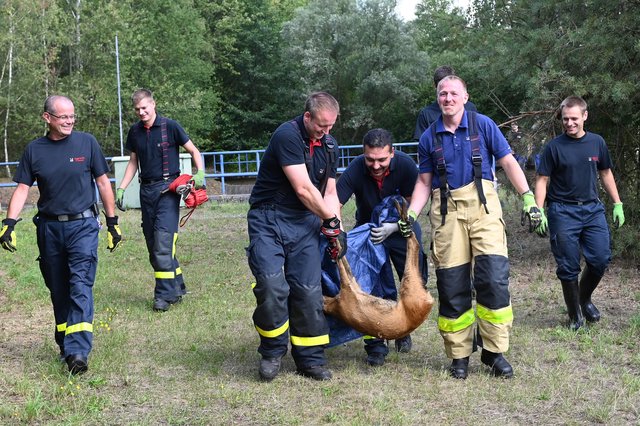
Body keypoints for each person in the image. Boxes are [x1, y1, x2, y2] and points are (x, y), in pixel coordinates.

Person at [401, 76, 540, 379]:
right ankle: (459, 356)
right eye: (442, 94)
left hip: (484, 210)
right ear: (437, 99)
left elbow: (507, 162)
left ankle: (494, 352)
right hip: (447, 213)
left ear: (465, 97)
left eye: (453, 93)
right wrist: (411, 214)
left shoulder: (483, 125)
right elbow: (424, 182)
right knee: (452, 286)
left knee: (493, 281)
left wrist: (528, 197)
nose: (447, 98)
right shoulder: (428, 137)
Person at [0, 95, 122, 375]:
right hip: (49, 229)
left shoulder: (86, 142)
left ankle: (78, 351)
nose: (69, 121)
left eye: (72, 116)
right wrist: (9, 223)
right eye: (63, 116)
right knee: (59, 289)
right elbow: (21, 188)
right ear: (47, 118)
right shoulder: (35, 150)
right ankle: (65, 343)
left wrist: (112, 221)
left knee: (80, 284)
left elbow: (103, 183)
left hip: (83, 226)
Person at [246, 91, 346, 382]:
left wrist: (335, 225)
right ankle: (272, 351)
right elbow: (303, 188)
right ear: (307, 117)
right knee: (271, 286)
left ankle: (310, 358)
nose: (326, 132)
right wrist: (328, 219)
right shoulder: (287, 136)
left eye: (331, 126)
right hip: (269, 219)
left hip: (305, 223)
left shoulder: (329, 145)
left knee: (308, 290)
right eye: (321, 126)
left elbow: (329, 190)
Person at [336, 128, 427, 366]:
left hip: (401, 229)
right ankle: (375, 344)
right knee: (370, 283)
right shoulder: (356, 168)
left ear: (392, 153)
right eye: (370, 159)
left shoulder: (406, 166)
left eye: (382, 160)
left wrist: (399, 225)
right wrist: (338, 232)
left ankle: (401, 329)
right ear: (363, 154)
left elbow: (415, 198)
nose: (375, 165)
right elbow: (335, 200)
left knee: (415, 281)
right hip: (370, 232)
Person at [534, 96, 624, 330]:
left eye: (574, 118)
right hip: (562, 211)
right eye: (565, 119)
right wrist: (539, 210)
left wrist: (617, 203)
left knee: (600, 259)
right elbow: (542, 180)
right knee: (568, 266)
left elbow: (605, 172)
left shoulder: (597, 142)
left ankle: (584, 299)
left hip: (592, 210)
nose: (569, 123)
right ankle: (575, 316)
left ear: (585, 116)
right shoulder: (554, 147)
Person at [116, 89, 205, 312]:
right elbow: (133, 163)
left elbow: (194, 150)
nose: (141, 112)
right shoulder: (135, 132)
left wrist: (200, 173)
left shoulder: (171, 126)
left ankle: (163, 297)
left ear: (153, 104)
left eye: (145, 107)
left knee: (163, 245)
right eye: (137, 109)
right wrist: (121, 188)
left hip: (168, 191)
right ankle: (176, 287)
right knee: (152, 245)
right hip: (146, 192)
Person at [413, 65, 478, 140]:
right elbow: (422, 144)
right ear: (436, 87)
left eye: (453, 93)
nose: (448, 99)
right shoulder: (426, 114)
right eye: (444, 92)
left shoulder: (472, 109)